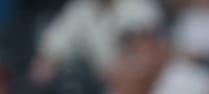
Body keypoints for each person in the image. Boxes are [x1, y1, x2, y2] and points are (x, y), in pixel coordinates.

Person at [31, 0, 163, 82]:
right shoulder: (80, 8)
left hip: (140, 85)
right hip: (102, 87)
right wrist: (48, 64)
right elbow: (51, 49)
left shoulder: (139, 5)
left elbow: (148, 55)